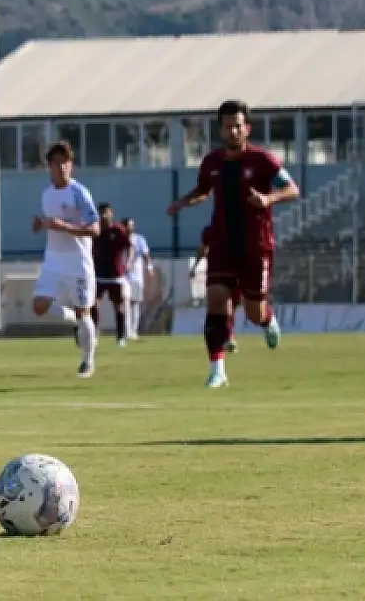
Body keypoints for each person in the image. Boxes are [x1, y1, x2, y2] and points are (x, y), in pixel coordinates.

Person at [168, 99, 298, 388]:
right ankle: (217, 370)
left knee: (254, 311)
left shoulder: (263, 161)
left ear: (247, 128)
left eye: (238, 126)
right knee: (216, 300)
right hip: (222, 244)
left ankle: (267, 320)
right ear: (220, 129)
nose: (233, 132)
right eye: (228, 127)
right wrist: (183, 202)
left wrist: (268, 199)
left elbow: (292, 189)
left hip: (256, 245)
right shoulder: (211, 163)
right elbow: (203, 190)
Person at [30, 141, 101, 378]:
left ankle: (88, 361)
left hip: (78, 262)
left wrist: (65, 227)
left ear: (71, 165)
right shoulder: (46, 194)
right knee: (39, 306)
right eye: (56, 163)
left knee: (85, 312)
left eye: (65, 162)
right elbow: (51, 223)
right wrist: (41, 224)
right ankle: (73, 321)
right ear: (49, 166)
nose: (61, 167)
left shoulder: (79, 192)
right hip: (53, 261)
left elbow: (95, 229)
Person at [190, 224, 238, 353]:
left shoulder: (238, 227)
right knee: (223, 304)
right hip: (217, 273)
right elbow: (203, 249)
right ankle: (227, 337)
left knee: (230, 305)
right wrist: (195, 266)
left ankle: (226, 335)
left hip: (233, 271)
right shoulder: (210, 230)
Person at [91, 203, 132, 348]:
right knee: (94, 305)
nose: (103, 216)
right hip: (98, 274)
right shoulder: (95, 229)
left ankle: (120, 337)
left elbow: (129, 246)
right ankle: (94, 335)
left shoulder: (118, 230)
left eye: (106, 212)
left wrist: (128, 261)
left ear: (111, 214)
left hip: (116, 275)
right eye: (101, 212)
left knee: (118, 306)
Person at [122, 217, 152, 340]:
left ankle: (134, 330)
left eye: (132, 225)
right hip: (123, 276)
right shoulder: (120, 239)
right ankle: (126, 330)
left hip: (137, 276)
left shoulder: (139, 239)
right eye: (128, 225)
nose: (130, 228)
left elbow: (146, 255)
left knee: (135, 303)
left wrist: (149, 267)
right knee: (125, 302)